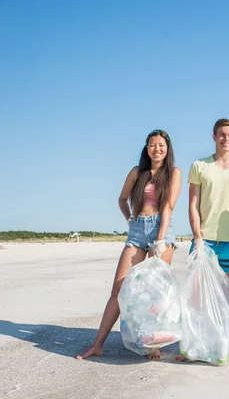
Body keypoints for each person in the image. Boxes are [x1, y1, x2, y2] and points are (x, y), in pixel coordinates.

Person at [77, 129, 182, 360]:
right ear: (146, 148)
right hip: (137, 231)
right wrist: (129, 218)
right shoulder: (137, 172)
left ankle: (154, 343)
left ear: (168, 148)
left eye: (161, 145)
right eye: (152, 145)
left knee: (156, 293)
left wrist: (161, 239)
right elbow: (122, 199)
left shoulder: (174, 173)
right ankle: (98, 344)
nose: (157, 149)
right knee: (119, 288)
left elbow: (168, 207)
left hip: (161, 230)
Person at [187, 119, 229, 287]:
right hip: (205, 239)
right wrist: (197, 238)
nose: (226, 139)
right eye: (222, 135)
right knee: (199, 294)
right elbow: (193, 205)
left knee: (228, 292)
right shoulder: (199, 165)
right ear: (214, 137)